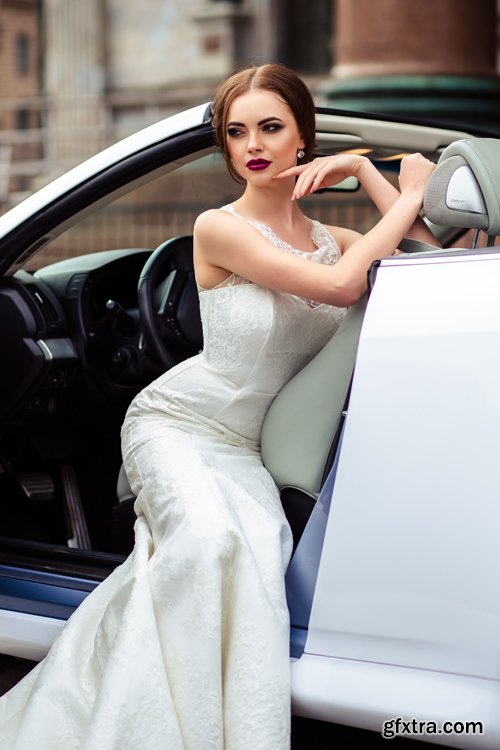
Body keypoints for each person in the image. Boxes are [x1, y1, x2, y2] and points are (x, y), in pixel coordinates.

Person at [0, 63, 437, 750]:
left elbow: (432, 266)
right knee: (210, 544)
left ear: (303, 138)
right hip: (178, 425)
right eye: (237, 132)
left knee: (255, 547)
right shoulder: (219, 229)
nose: (253, 145)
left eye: (271, 127)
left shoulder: (332, 238)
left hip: (249, 447)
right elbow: (343, 289)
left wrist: (375, 178)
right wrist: (408, 192)